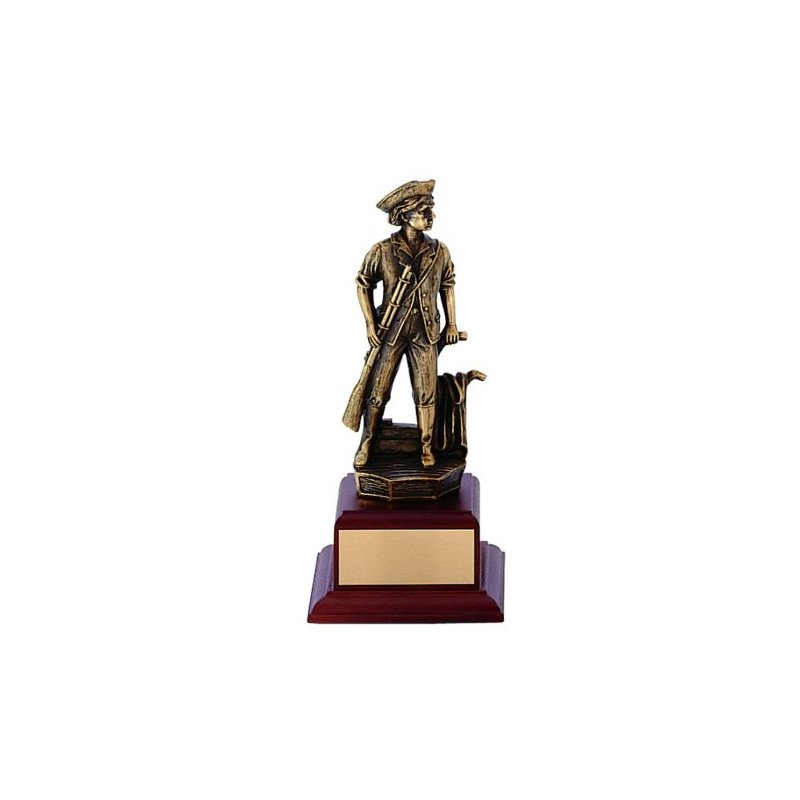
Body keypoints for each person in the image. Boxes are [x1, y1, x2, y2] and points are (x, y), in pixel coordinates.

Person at [353, 179, 459, 468]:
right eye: (423, 211)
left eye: (430, 210)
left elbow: (447, 285)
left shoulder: (440, 251)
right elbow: (363, 283)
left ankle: (426, 447)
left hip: (426, 331)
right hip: (390, 330)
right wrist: (370, 324)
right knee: (378, 390)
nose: (430, 216)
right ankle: (367, 442)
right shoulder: (382, 250)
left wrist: (452, 324)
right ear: (404, 214)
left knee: (426, 392)